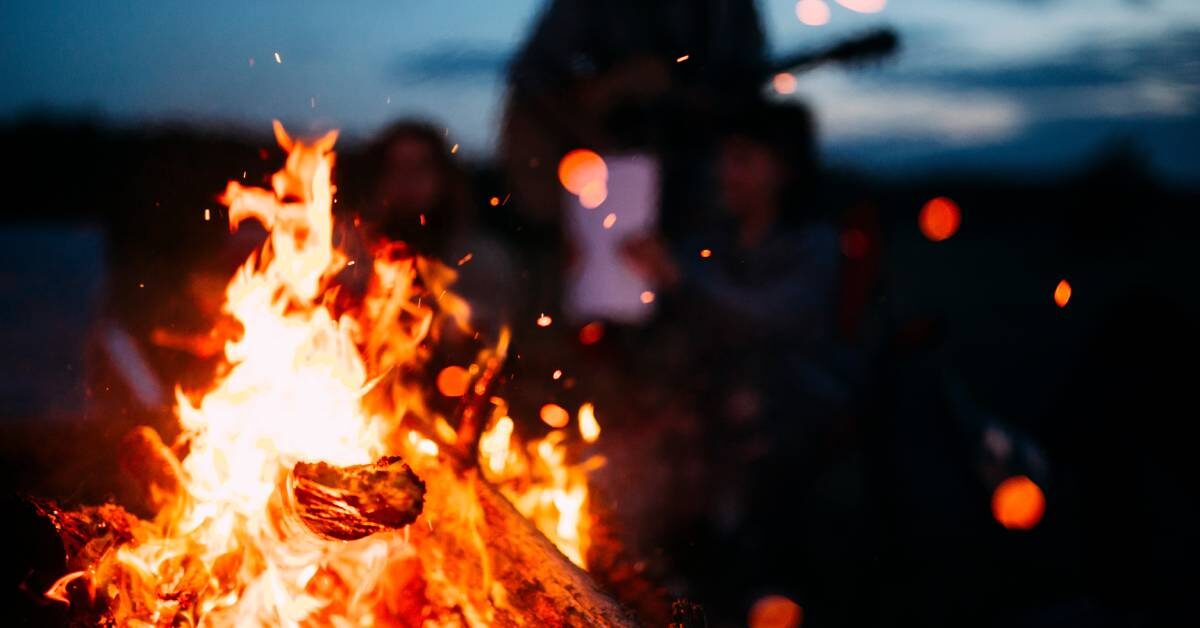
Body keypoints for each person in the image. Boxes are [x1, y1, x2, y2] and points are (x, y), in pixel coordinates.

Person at [351, 121, 517, 338]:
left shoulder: (482, 261)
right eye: (396, 167)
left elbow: (497, 338)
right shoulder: (349, 259)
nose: (408, 179)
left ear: (444, 177)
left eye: (420, 167)